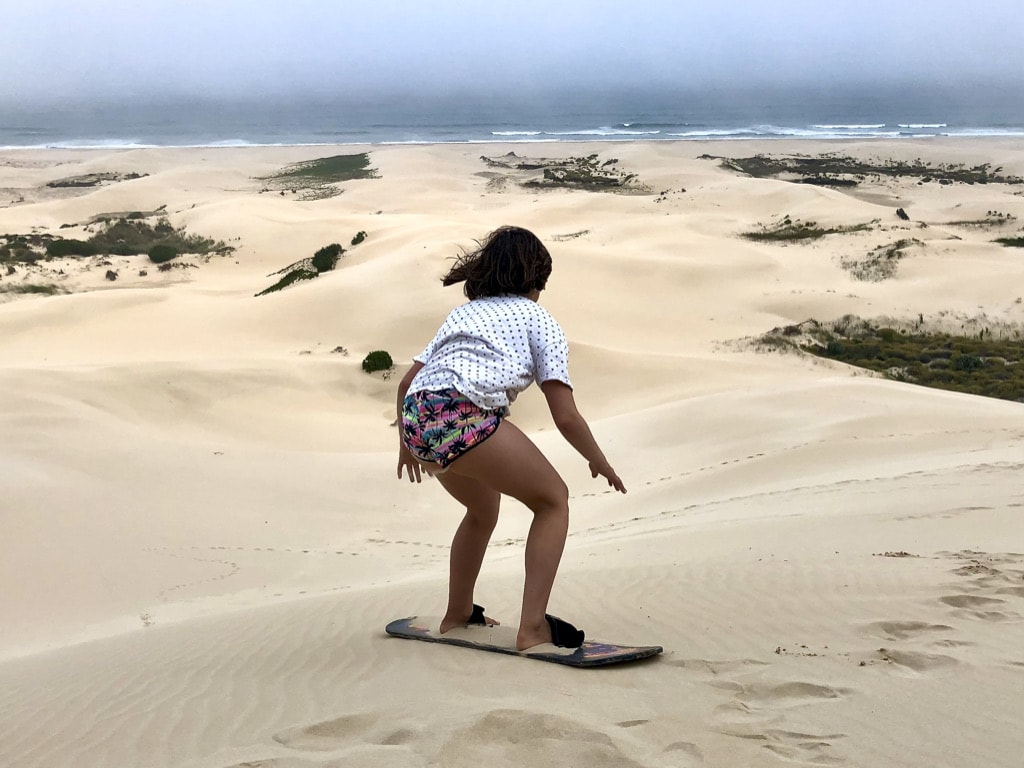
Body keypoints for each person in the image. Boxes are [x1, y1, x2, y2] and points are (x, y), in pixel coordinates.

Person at [396, 225, 626, 652]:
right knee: (553, 499)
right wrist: (598, 460)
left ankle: (458, 613)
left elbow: (407, 381)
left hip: (416, 417)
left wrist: (406, 443)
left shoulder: (463, 314)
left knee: (483, 508)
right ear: (536, 279)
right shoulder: (540, 320)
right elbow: (566, 416)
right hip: (462, 414)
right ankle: (533, 627)